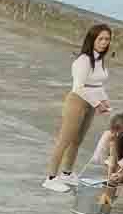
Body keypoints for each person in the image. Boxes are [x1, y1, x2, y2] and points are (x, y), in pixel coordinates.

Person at [44, 23, 114, 192]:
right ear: (92, 40)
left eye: (107, 39)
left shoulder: (100, 60)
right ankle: (51, 178)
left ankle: (67, 173)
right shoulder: (83, 61)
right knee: (65, 140)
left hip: (91, 104)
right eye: (101, 39)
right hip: (77, 102)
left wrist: (104, 100)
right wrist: (97, 103)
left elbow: (97, 84)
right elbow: (79, 87)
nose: (104, 42)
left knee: (77, 140)